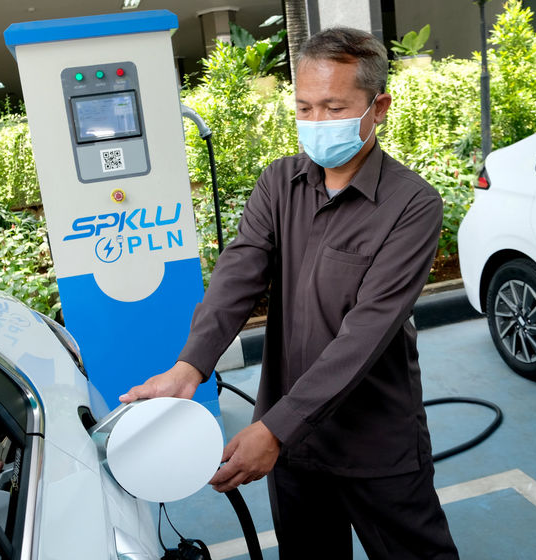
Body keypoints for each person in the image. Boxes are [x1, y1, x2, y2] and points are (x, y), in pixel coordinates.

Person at [120, 27, 459, 560]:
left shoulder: (412, 205)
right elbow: (238, 274)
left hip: (373, 442)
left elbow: (365, 334)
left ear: (379, 107)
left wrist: (273, 429)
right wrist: (189, 368)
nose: (317, 123)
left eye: (333, 106)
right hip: (293, 449)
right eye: (304, 108)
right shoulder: (279, 183)